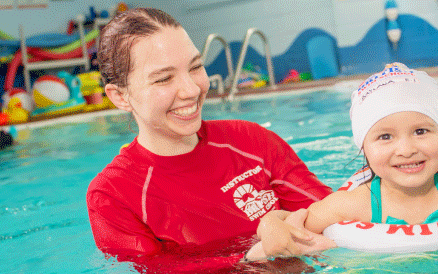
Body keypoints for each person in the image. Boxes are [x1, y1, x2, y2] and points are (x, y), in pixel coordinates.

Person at [86, 7, 332, 272]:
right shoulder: (113, 195)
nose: (192, 90)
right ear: (120, 96)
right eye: (164, 78)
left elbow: (329, 213)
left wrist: (280, 220)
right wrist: (255, 255)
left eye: (195, 67)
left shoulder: (251, 141)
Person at [248, 63, 438, 260]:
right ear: (364, 149)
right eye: (385, 137)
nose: (406, 149)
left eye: (421, 131)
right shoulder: (353, 203)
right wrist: (270, 222)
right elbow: (293, 225)